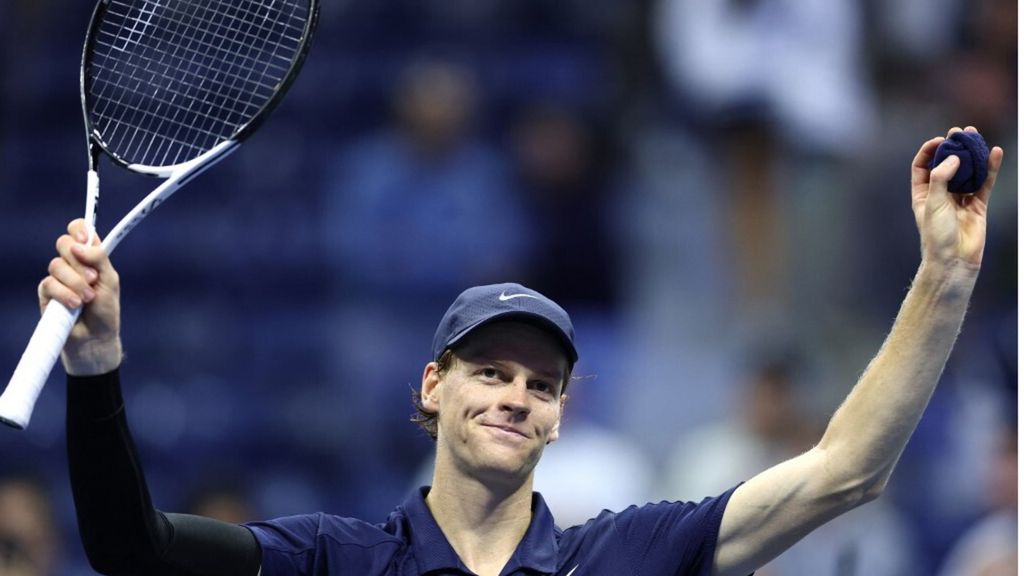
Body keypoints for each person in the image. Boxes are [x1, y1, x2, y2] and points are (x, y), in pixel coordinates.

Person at [43, 126, 1003, 575]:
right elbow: (133, 549)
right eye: (490, 371)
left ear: (560, 415)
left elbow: (846, 471)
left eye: (541, 384)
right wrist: (96, 371)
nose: (515, 396)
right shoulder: (338, 561)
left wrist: (944, 280)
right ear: (433, 385)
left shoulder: (631, 553)